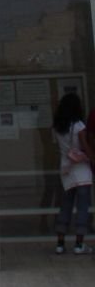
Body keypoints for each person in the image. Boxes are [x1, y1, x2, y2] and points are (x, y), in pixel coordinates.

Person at [52, 92, 93, 255]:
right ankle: (79, 244)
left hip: (66, 169)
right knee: (82, 206)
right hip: (81, 170)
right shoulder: (79, 126)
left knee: (65, 205)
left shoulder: (56, 127)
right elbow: (85, 147)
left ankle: (60, 243)